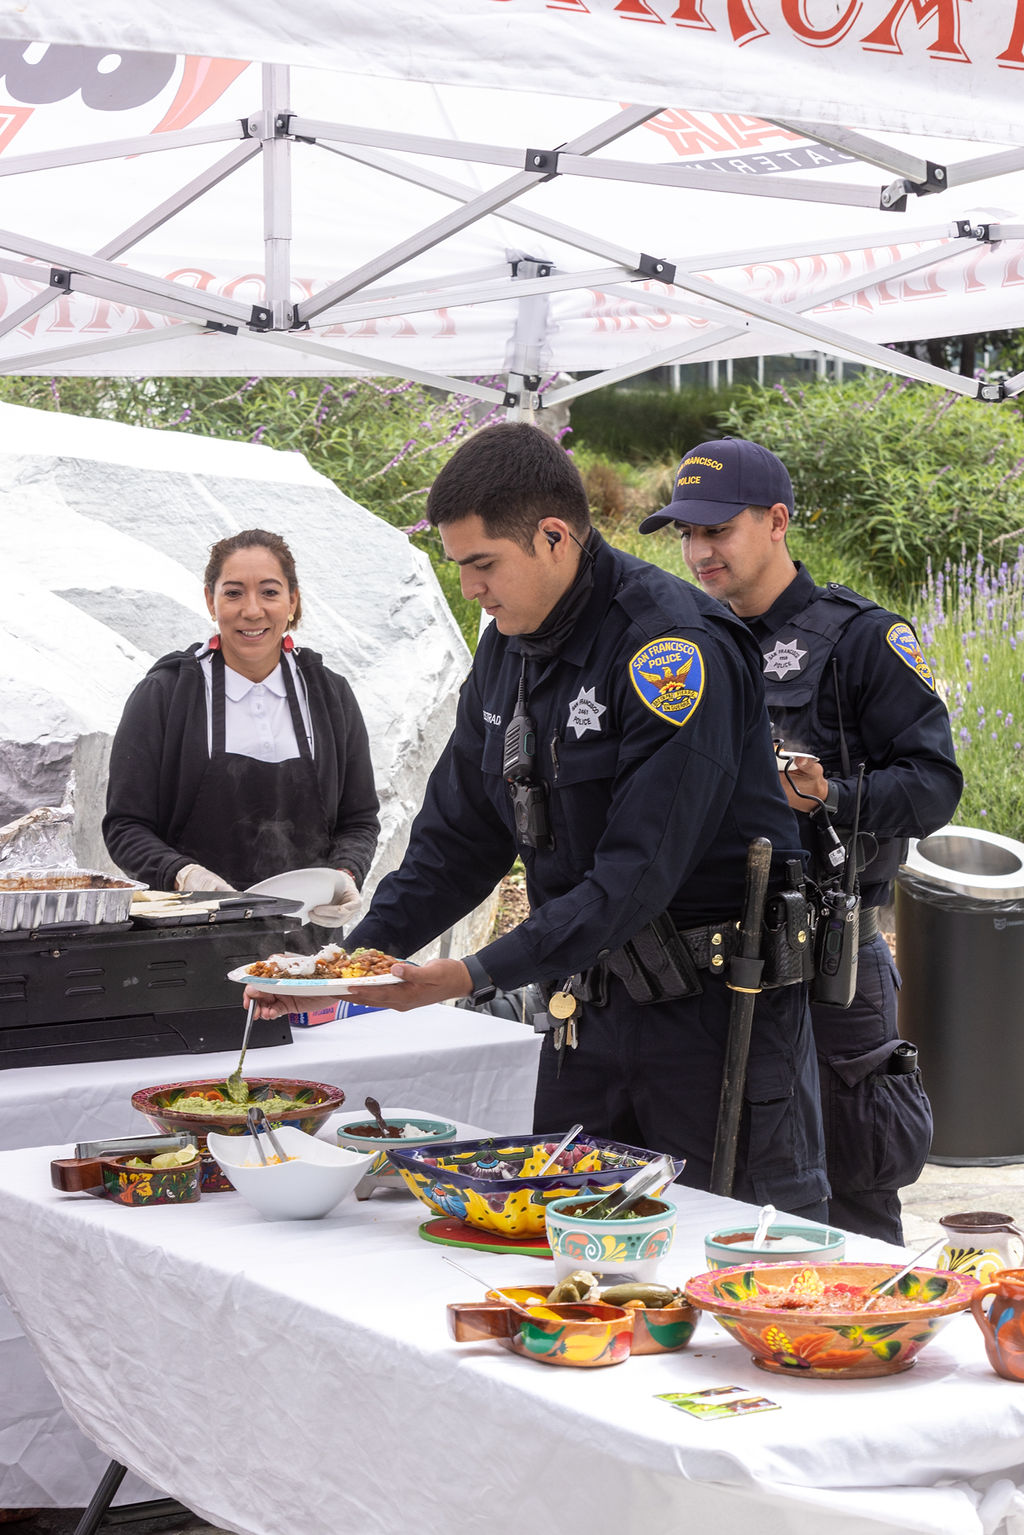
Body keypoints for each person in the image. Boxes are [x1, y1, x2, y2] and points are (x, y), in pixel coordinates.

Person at [254, 422, 828, 1216]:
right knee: (558, 1237)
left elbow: (636, 874)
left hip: (711, 1021)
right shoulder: (506, 649)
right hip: (585, 1012)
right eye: (459, 568)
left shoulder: (671, 648)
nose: (471, 590)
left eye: (483, 564)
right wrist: (350, 960)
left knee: (715, 1252)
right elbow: (458, 838)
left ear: (555, 536)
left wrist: (470, 975)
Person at [639, 436, 963, 1242]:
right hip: (713, 968)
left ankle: (871, 1335)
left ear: (778, 521)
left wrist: (829, 796)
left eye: (718, 530)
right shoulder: (680, 644)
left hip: (833, 966)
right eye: (686, 532)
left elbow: (934, 785)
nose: (697, 550)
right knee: (720, 1182)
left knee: (852, 1188)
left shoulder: (861, 638)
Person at [103, 528, 379, 917]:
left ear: (293, 600)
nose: (252, 610)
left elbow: (359, 820)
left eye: (269, 592)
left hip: (305, 928)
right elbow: (125, 827)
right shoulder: (165, 694)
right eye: (233, 593)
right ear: (210, 601)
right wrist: (183, 874)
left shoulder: (329, 695)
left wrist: (344, 875)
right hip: (186, 930)